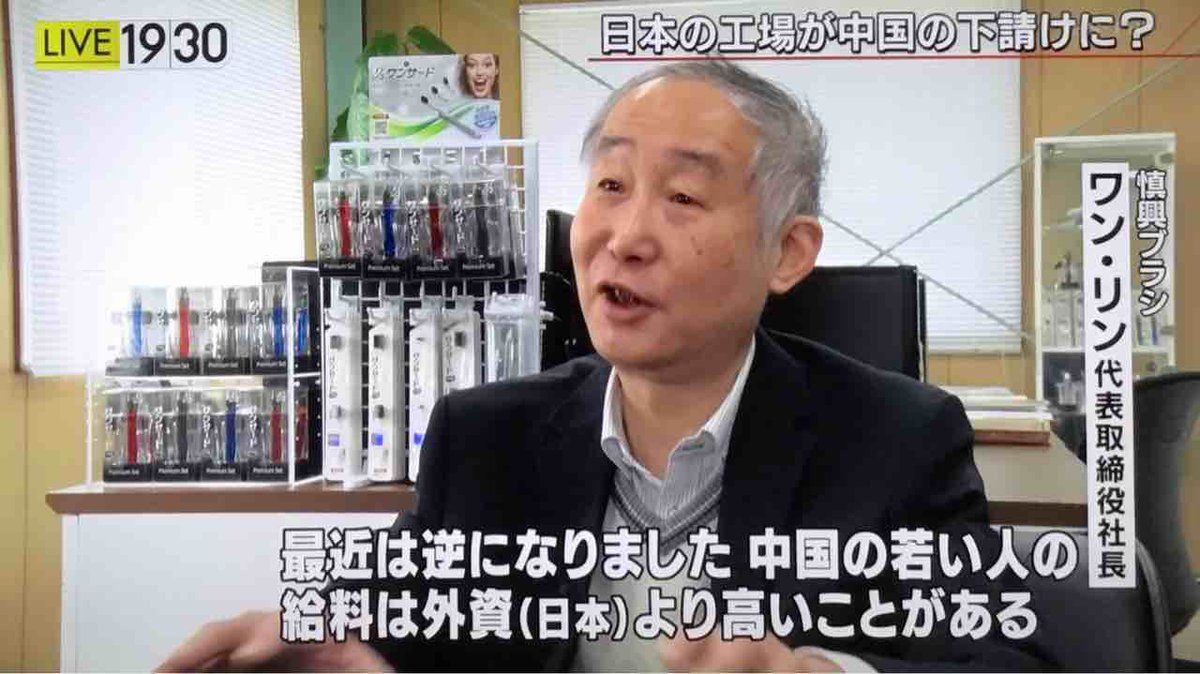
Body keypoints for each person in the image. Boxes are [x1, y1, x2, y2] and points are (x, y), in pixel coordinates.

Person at [159, 60, 1051, 672]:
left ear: (787, 252)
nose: (624, 238)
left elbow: (1005, 658)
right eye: (611, 186)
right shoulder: (488, 435)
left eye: (684, 196)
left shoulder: (895, 438)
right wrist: (334, 644)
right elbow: (392, 624)